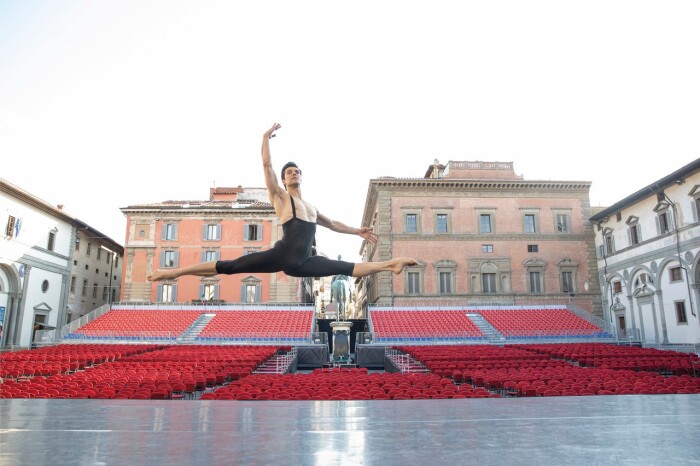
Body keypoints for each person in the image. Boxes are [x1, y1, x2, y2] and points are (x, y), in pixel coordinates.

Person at [147, 123, 417, 282]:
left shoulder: (311, 207)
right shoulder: (279, 196)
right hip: (282, 254)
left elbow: (333, 224)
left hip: (302, 262)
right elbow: (266, 164)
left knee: (346, 268)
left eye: (297, 171)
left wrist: (357, 230)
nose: (294, 174)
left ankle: (391, 264)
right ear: (284, 180)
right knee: (229, 267)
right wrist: (265, 139)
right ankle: (174, 273)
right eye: (289, 173)